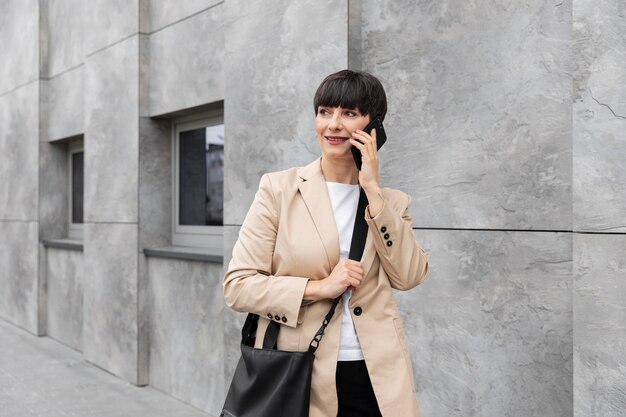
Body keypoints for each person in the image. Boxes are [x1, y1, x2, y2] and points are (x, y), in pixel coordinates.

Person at [223, 69, 429, 417]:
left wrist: (374, 194)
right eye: (324, 111)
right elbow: (238, 287)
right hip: (300, 371)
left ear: (373, 127)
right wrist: (319, 288)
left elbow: (409, 276)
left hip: (375, 375)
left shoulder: (391, 203)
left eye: (349, 113)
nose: (333, 124)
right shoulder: (279, 189)